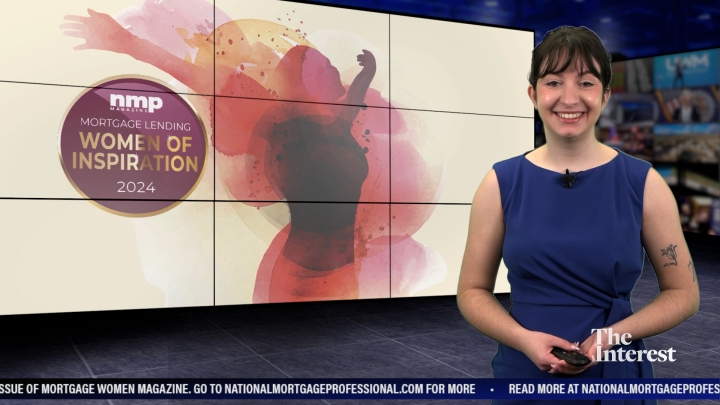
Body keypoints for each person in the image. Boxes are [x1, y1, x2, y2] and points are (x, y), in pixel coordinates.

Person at [457, 26, 699, 405]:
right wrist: (523, 339)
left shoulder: (644, 183)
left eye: (585, 83)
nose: (569, 98)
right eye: (554, 82)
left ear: (605, 95)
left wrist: (611, 336)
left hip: (614, 378)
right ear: (534, 94)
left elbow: (683, 294)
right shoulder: (499, 183)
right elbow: (472, 291)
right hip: (524, 376)